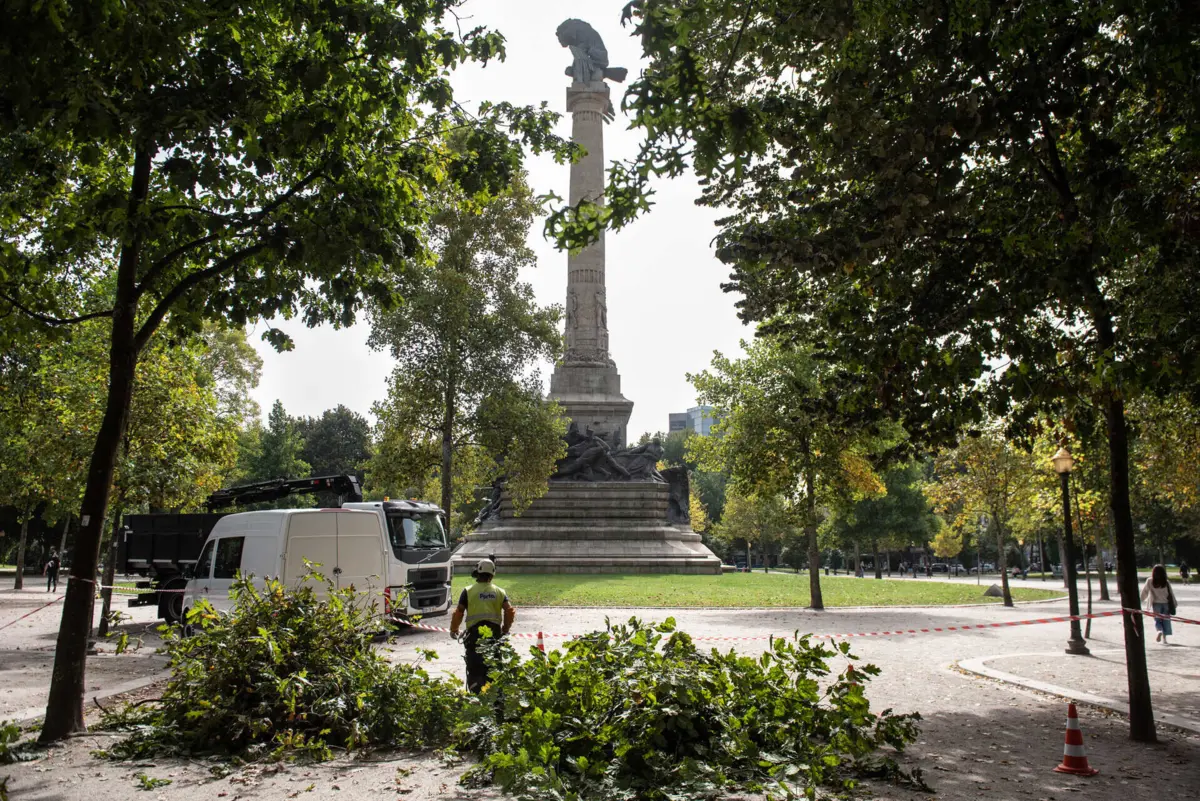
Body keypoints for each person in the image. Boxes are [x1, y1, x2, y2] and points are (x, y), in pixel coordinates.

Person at [450, 559, 516, 692]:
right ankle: (495, 698)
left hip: (474, 638)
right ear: (492, 575)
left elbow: (459, 612)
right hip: (494, 636)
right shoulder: (499, 592)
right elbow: (509, 610)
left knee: (475, 669)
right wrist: (505, 629)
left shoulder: (468, 591)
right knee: (493, 669)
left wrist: (454, 629)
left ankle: (476, 696)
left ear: (477, 573)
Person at [1140, 564, 1177, 645]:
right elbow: (1170, 593)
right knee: (1166, 620)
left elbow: (1145, 592)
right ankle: (1164, 639)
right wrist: (1174, 603)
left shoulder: (1150, 581)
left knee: (1157, 619)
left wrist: (1140, 600)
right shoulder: (1166, 582)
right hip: (1166, 603)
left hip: (1156, 604)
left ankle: (1159, 630)